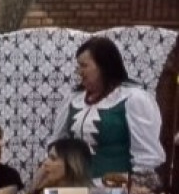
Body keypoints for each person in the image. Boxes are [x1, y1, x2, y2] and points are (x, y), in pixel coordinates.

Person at [51, 36, 165, 181]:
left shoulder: (133, 99)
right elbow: (58, 143)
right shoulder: (74, 99)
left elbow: (146, 154)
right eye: (78, 66)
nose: (79, 72)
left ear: (103, 66)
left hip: (115, 188)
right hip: (76, 186)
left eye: (84, 66)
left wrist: (136, 183)